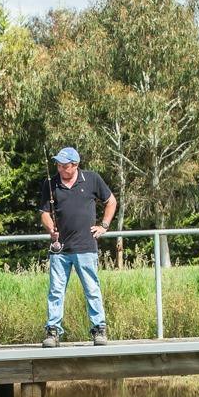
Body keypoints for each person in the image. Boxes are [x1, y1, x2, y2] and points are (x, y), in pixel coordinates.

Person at [39, 147, 116, 347]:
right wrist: (50, 229)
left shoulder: (91, 179)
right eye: (58, 165)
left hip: (86, 246)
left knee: (92, 289)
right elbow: (44, 213)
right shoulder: (50, 184)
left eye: (64, 166)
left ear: (75, 165)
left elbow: (111, 201)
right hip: (60, 249)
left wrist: (104, 226)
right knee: (55, 291)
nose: (60, 169)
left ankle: (99, 329)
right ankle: (53, 331)